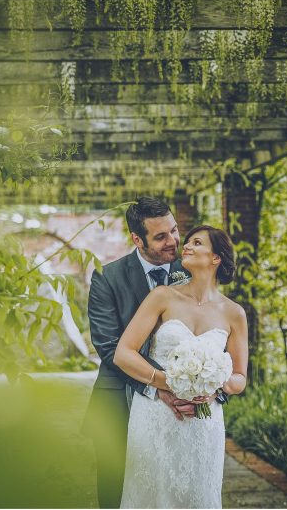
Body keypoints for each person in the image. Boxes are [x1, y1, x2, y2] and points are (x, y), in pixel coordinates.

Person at [114, 225, 249, 509]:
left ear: (216, 258)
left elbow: (239, 378)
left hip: (202, 423)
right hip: (155, 417)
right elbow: (124, 354)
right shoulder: (162, 296)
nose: (185, 246)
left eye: (197, 243)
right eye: (187, 242)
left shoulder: (234, 313)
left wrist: (213, 387)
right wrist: (170, 384)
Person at [82, 197, 199, 509]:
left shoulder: (193, 274)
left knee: (172, 490)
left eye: (174, 230)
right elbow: (109, 347)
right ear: (137, 239)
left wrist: (205, 389)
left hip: (180, 409)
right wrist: (162, 385)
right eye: (160, 236)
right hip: (117, 402)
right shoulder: (108, 278)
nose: (173, 241)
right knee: (116, 490)